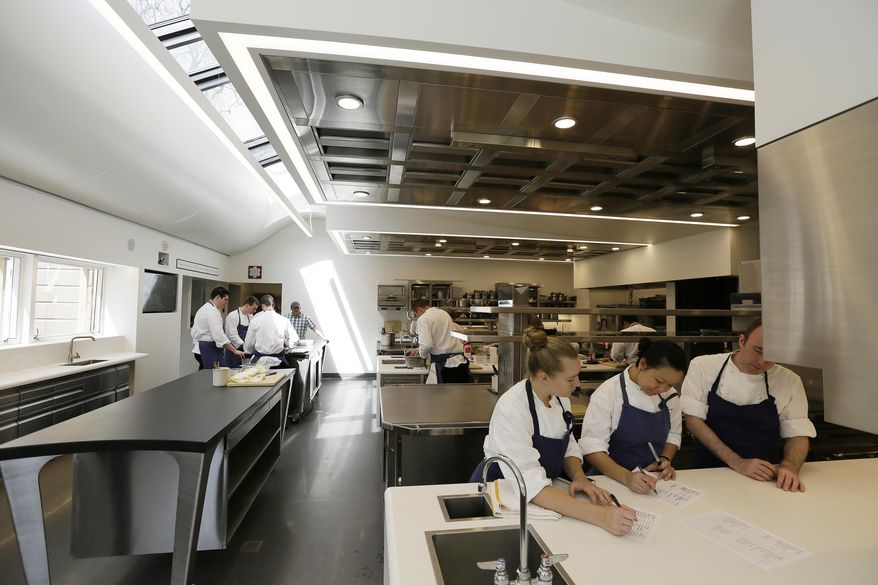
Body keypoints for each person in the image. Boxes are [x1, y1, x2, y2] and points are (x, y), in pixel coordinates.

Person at [469, 328, 637, 536]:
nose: (578, 384)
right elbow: (529, 485)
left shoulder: (560, 399)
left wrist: (579, 477)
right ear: (544, 377)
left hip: (546, 492)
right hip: (503, 495)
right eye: (571, 379)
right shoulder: (513, 408)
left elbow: (568, 445)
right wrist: (600, 516)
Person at [681, 319, 817, 492]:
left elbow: (798, 434)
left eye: (772, 357)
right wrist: (738, 463)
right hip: (709, 471)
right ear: (742, 341)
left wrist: (790, 466)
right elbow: (693, 421)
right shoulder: (703, 366)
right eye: (758, 351)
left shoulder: (789, 381)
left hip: (765, 477)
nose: (762, 362)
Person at [580, 339, 689, 494]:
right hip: (609, 481)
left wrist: (665, 460)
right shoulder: (608, 393)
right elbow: (592, 449)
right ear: (643, 364)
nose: (663, 389)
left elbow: (673, 435)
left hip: (652, 481)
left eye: (670, 385)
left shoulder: (669, 396)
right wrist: (628, 477)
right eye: (659, 381)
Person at [405, 299, 472, 383]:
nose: (417, 317)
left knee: (443, 395)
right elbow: (441, 339)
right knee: (459, 395)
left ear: (419, 310)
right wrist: (417, 350)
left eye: (416, 314)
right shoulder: (443, 313)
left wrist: (422, 355)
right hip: (460, 363)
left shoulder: (423, 319)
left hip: (445, 367)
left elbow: (427, 345)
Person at [191, 286, 245, 370]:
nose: (226, 303)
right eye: (225, 299)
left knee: (205, 376)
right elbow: (219, 335)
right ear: (218, 297)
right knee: (219, 376)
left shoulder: (205, 308)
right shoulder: (212, 311)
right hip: (208, 349)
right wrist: (234, 350)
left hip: (201, 349)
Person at [244, 295, 298, 368]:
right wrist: (287, 344)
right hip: (279, 363)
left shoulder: (255, 320)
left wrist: (250, 351)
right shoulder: (284, 320)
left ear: (262, 306)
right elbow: (294, 339)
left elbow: (249, 345)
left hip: (259, 363)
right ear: (274, 305)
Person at [224, 296, 259, 367]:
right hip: (233, 351)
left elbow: (253, 332)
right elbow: (232, 335)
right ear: (247, 305)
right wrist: (245, 345)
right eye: (254, 308)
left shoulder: (250, 316)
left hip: (245, 351)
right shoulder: (232, 316)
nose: (255, 311)